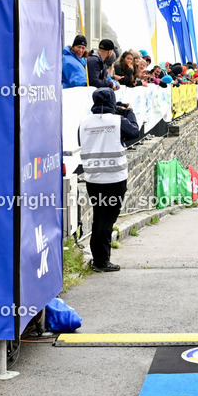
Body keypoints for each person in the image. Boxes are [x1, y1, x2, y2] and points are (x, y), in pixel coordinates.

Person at [78, 88, 139, 272]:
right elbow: (134, 131)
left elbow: (82, 142)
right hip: (114, 179)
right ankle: (101, 262)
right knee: (107, 222)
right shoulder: (118, 121)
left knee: (99, 218)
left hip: (93, 179)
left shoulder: (84, 123)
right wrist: (129, 112)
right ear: (112, 102)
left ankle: (98, 259)